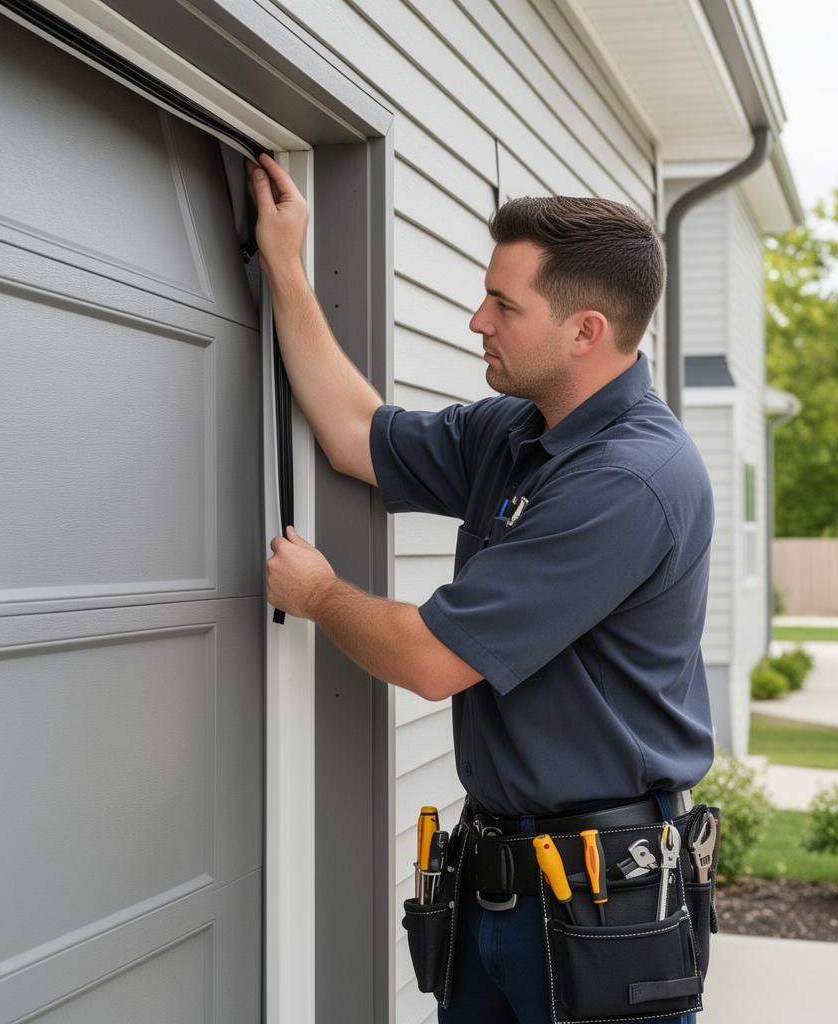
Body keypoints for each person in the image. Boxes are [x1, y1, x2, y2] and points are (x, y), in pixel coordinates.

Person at [247, 151, 714, 1024]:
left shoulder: (629, 480)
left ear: (585, 333)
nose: (476, 321)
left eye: (505, 306)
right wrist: (283, 264)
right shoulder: (518, 431)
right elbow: (357, 435)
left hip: (601, 908)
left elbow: (434, 661)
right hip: (498, 888)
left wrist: (317, 595)